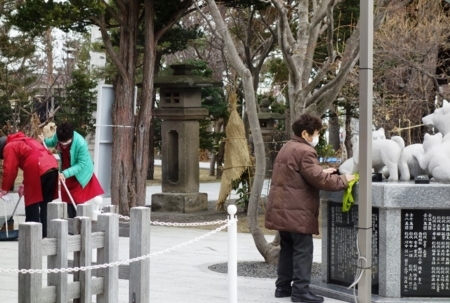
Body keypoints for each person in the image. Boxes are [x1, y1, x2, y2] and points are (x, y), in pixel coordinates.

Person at [265, 114, 355, 303]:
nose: (317, 137)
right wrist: (343, 180)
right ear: (305, 133)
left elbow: (303, 174)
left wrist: (322, 171)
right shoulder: (305, 151)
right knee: (303, 251)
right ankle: (300, 292)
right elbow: (320, 180)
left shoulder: (288, 147)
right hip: (297, 210)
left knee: (288, 248)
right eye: (316, 134)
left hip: (283, 208)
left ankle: (282, 288)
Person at [39, 122, 104, 219]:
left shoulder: (81, 143)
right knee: (67, 198)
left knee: (77, 199)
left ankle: (79, 221)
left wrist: (65, 173)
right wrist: (44, 140)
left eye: (66, 143)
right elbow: (52, 142)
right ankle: (71, 219)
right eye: (61, 143)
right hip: (66, 169)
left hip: (80, 173)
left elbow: (81, 164)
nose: (64, 146)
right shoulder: (59, 135)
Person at [0, 132, 59, 237]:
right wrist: (23, 184)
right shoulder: (27, 140)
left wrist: (4, 189)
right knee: (46, 204)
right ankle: (45, 234)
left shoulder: (9, 146)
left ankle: (32, 234)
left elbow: (10, 169)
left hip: (37, 167)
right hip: (52, 166)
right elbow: (31, 156)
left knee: (32, 202)